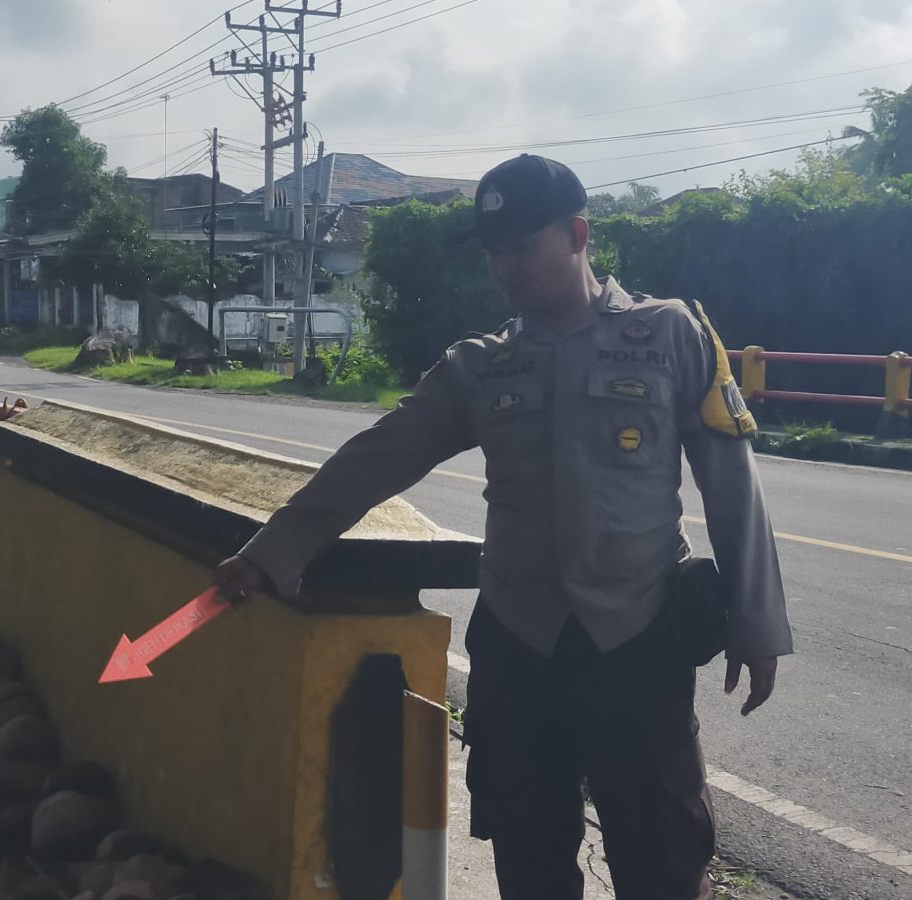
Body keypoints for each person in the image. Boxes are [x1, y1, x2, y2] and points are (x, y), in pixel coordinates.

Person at [214, 154, 792, 899]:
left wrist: (757, 622)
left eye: (521, 247)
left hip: (639, 645)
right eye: (493, 251)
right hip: (522, 651)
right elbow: (372, 461)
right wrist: (272, 553)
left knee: (663, 863)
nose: (504, 267)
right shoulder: (478, 368)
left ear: (578, 233)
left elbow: (733, 488)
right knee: (529, 862)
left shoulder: (670, 335)